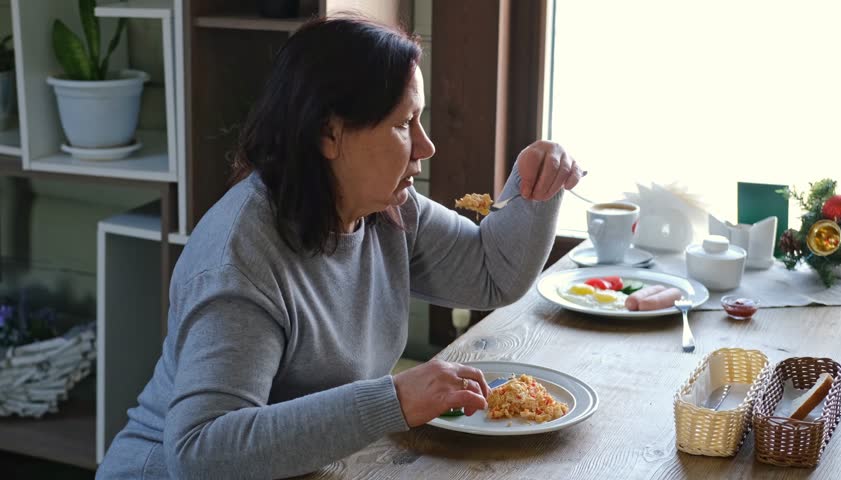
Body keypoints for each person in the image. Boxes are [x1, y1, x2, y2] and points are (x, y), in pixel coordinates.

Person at [97, 15, 583, 479]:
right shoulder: (240, 260)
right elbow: (201, 454)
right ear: (329, 133)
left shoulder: (388, 210)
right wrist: (391, 401)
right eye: (403, 124)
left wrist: (534, 186)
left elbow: (491, 273)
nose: (425, 145)